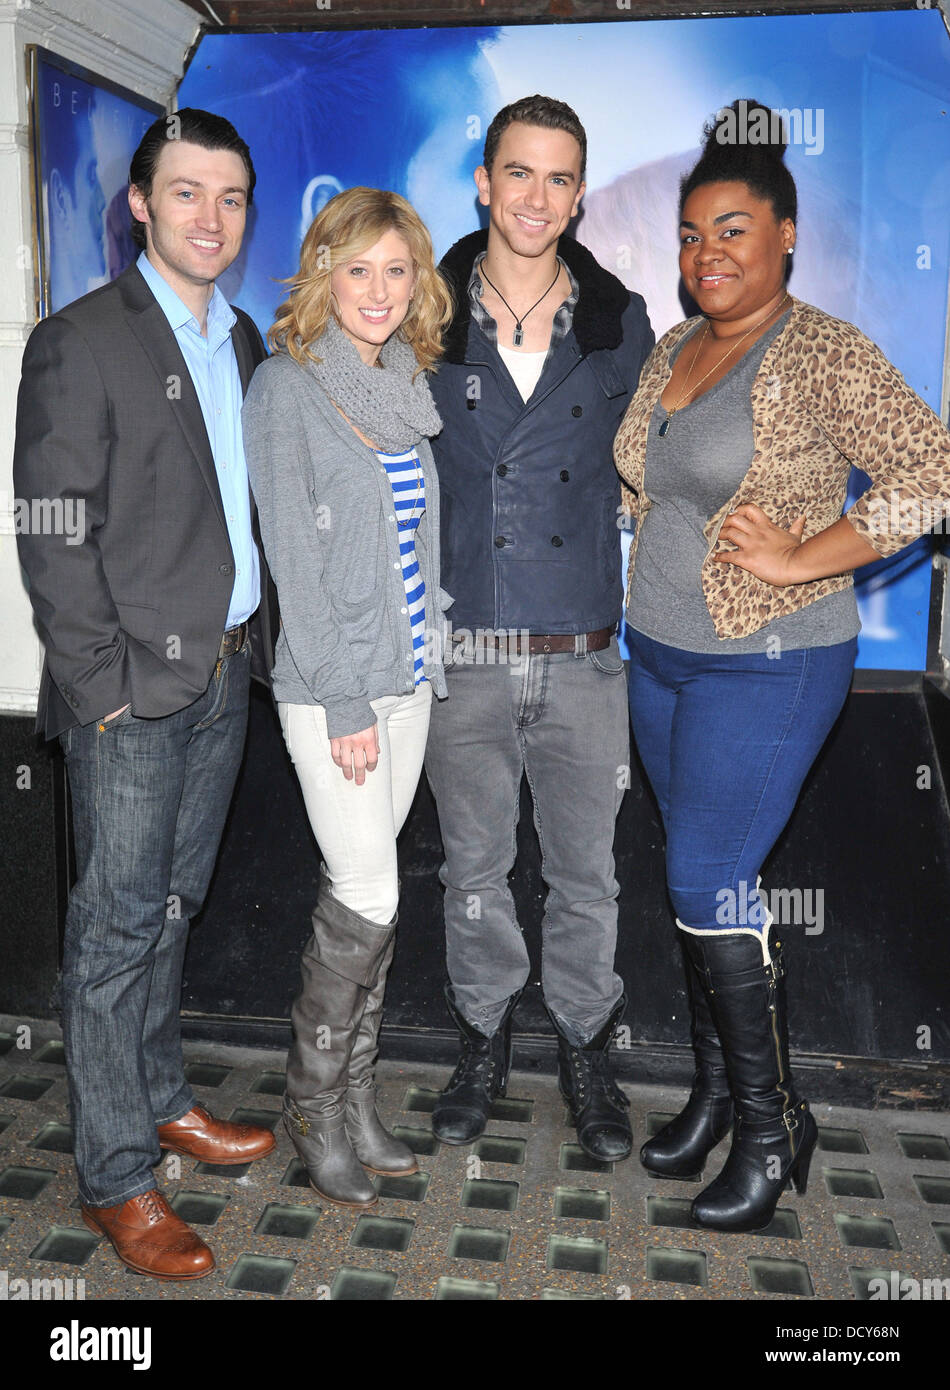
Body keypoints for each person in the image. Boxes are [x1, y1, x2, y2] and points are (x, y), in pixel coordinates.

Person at [614, 99, 950, 1232]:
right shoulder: (673, 344)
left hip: (765, 662)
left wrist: (806, 551)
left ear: (786, 235)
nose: (707, 253)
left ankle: (772, 1130)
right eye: (692, 234)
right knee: (692, 879)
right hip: (656, 653)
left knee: (709, 875)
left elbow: (928, 472)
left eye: (733, 231)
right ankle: (715, 1097)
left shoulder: (818, 352)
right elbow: (643, 474)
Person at [13, 109, 278, 1281]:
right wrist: (101, 689)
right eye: (185, 195)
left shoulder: (246, 341)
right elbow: (51, 525)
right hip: (133, 689)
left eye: (229, 198)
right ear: (139, 205)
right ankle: (118, 1175)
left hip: (225, 671)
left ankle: (164, 1096)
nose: (209, 217)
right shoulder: (82, 339)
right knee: (115, 929)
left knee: (174, 904)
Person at [424, 95, 655, 1161]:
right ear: (482, 181)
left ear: (577, 192)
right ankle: (481, 1039)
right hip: (463, 651)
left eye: (559, 179)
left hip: (580, 652)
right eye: (518, 173)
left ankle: (582, 1045)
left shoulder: (618, 322)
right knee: (470, 873)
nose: (537, 198)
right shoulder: (418, 314)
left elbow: (656, 472)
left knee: (585, 875)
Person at [242, 188, 453, 1209]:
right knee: (365, 892)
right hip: (339, 689)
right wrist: (344, 701)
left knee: (377, 888)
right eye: (354, 266)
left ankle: (357, 1099)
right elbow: (292, 557)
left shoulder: (406, 386)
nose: (376, 289)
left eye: (394, 268)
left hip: (410, 673)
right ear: (321, 273)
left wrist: (431, 639)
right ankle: (313, 1107)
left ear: (417, 282)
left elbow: (413, 542)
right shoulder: (286, 389)